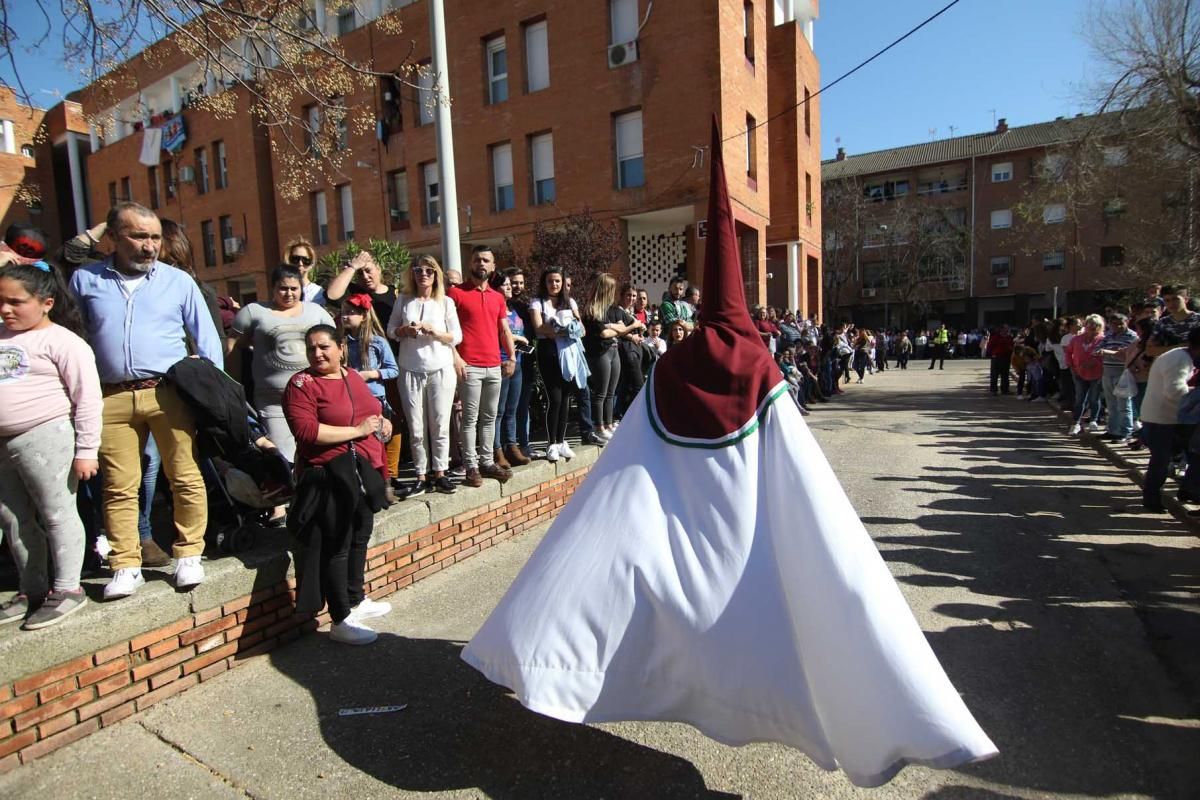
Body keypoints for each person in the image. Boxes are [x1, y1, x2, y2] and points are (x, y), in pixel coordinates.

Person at [462, 121, 997, 787]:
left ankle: (554, 659)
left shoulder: (675, 365)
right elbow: (799, 475)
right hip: (742, 528)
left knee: (619, 582)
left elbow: (626, 465)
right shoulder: (756, 363)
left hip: (668, 518)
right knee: (817, 592)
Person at [69, 202, 223, 598]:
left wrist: (211, 391)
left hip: (168, 392)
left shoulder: (178, 282)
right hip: (111, 397)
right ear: (114, 238)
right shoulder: (86, 280)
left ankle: (188, 553)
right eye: (138, 236)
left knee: (184, 474)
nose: (149, 245)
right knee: (119, 486)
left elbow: (207, 340)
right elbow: (73, 337)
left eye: (154, 237)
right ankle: (125, 563)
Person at [0, 262, 101, 629]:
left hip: (46, 435)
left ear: (45, 302)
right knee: (13, 519)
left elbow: (87, 397)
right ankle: (33, 588)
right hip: (3, 445)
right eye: (1, 301)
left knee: (57, 511)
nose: (6, 309)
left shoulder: (63, 341)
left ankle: (67, 587)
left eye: (16, 302)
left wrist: (87, 449)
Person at [283, 325, 392, 645]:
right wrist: (358, 430)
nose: (317, 353)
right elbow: (307, 432)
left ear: (341, 347)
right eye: (311, 348)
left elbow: (372, 411)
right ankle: (340, 618)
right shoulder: (301, 384)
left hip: (361, 470)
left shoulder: (352, 376)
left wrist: (383, 422)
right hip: (328, 473)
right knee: (337, 544)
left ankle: (355, 597)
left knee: (361, 533)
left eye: (324, 347)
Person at [228, 264, 335, 464]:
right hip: (272, 400)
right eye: (283, 288)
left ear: (301, 288)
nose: (289, 294)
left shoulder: (316, 311)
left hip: (314, 395)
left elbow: (336, 345)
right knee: (283, 456)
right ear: (273, 288)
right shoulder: (254, 311)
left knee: (319, 452)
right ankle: (292, 492)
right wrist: (233, 384)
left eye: (294, 289)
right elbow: (233, 344)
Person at [387, 255, 461, 496]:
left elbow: (456, 336)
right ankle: (421, 474)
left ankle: (440, 472)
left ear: (436, 274)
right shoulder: (403, 300)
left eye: (429, 270)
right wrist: (404, 330)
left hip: (440, 368)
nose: (424, 275)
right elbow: (390, 331)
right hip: (410, 368)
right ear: (413, 274)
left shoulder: (446, 302)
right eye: (419, 270)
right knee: (416, 427)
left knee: (440, 424)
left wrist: (436, 332)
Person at [448, 245, 516, 487]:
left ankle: (487, 462)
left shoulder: (498, 297)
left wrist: (512, 357)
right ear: (470, 264)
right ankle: (471, 466)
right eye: (477, 260)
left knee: (489, 417)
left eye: (486, 260)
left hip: (494, 364)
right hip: (470, 366)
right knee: (469, 418)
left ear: (493, 266)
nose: (481, 264)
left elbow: (504, 329)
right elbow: (448, 331)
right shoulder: (455, 294)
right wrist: (456, 357)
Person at [1137, 328, 1200, 512]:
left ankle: (1187, 490)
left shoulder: (1180, 357)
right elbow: (1174, 391)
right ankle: (1151, 499)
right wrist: (1195, 394)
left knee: (1181, 457)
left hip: (1167, 418)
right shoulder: (1179, 359)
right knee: (1160, 462)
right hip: (1162, 419)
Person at [582, 274, 642, 445]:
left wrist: (616, 327)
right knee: (601, 392)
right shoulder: (592, 309)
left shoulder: (610, 309)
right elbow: (604, 333)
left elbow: (617, 326)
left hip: (613, 349)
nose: (613, 292)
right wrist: (629, 327)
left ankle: (608, 424)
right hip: (600, 353)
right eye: (611, 289)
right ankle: (598, 426)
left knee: (611, 391)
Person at [530, 266, 580, 463]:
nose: (554, 284)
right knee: (555, 398)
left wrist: (566, 330)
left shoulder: (570, 302)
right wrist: (561, 331)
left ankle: (561, 441)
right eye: (550, 281)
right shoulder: (537, 302)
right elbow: (539, 327)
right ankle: (551, 443)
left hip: (568, 351)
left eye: (557, 281)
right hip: (548, 352)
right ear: (545, 283)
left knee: (566, 397)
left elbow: (580, 327)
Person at [489, 270, 532, 467]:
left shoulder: (513, 309)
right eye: (505, 285)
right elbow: (495, 334)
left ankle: (512, 447)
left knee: (512, 409)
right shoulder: (493, 309)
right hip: (500, 363)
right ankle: (497, 451)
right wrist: (517, 338)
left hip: (518, 363)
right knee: (498, 410)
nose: (510, 288)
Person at [1095, 314, 1139, 442]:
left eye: (1120, 323)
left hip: (1122, 372)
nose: (1117, 326)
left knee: (1124, 404)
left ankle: (1125, 432)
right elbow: (1098, 348)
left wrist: (1109, 352)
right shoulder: (1108, 335)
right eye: (1114, 324)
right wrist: (1114, 352)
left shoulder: (1132, 336)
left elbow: (1127, 353)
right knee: (1111, 404)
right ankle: (1113, 430)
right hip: (1107, 371)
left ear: (1127, 322)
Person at [1066, 315, 1106, 436]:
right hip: (1079, 373)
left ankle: (1094, 420)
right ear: (1086, 325)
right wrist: (1072, 366)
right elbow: (1068, 352)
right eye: (1091, 325)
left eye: (1096, 326)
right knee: (1080, 399)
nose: (1093, 328)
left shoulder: (1103, 340)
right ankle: (1076, 423)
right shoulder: (1076, 339)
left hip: (1097, 373)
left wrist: (1093, 363)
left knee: (1094, 398)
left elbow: (1105, 356)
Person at [283, 236, 323, 304]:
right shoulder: (282, 290)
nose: (300, 263)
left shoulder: (318, 292)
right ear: (288, 261)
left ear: (311, 263)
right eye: (295, 259)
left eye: (305, 260)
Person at [986, 324, 1014, 395]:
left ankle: (1005, 390)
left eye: (1008, 328)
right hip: (996, 358)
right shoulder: (995, 337)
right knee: (994, 375)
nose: (1007, 330)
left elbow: (1012, 346)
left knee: (1005, 375)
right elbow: (989, 346)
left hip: (1006, 358)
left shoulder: (1009, 337)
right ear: (1002, 329)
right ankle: (993, 390)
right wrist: (992, 354)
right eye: (1006, 328)